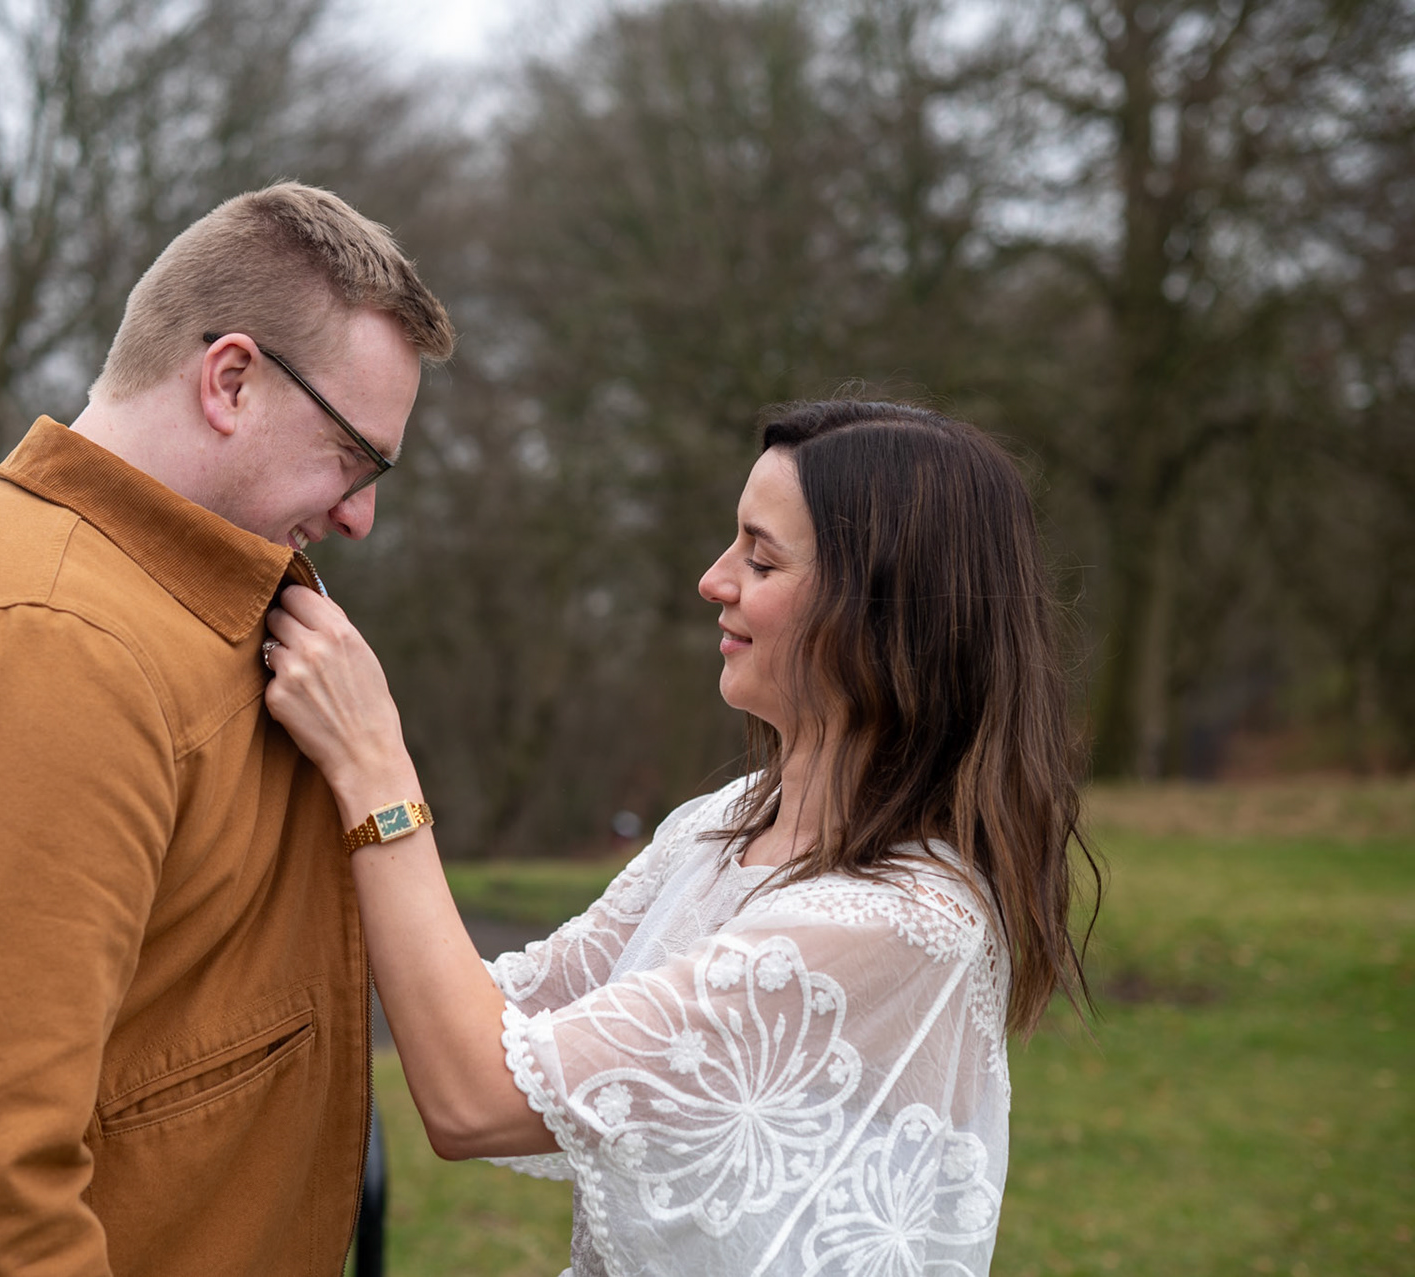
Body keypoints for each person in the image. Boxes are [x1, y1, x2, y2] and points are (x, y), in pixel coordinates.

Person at [0, 183, 455, 1277]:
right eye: (354, 456)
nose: (359, 514)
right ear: (231, 379)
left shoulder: (145, 602)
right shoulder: (48, 640)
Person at [261, 400, 1097, 1277]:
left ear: (882, 612)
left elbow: (476, 1096)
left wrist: (376, 767)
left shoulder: (901, 924)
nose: (713, 579)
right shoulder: (726, 821)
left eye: (761, 558)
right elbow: (501, 1013)